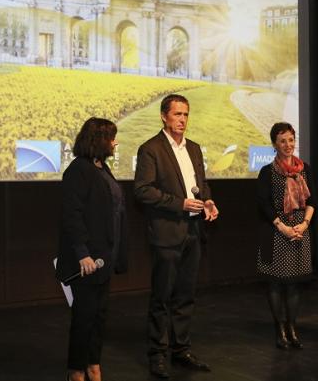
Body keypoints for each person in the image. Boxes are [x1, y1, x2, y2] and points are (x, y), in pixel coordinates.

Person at [134, 94, 219, 378]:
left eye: (186, 115)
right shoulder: (151, 149)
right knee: (162, 297)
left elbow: (201, 185)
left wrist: (208, 201)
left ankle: (180, 349)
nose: (182, 120)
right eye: (177, 114)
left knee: (185, 296)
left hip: (194, 231)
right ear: (163, 116)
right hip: (167, 233)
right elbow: (143, 190)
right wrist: (179, 203)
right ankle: (157, 354)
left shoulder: (193, 148)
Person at [56, 118, 128, 381]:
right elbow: (71, 215)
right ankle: (76, 368)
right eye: (112, 137)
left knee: (99, 316)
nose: (115, 142)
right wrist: (82, 252)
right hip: (87, 260)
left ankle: (93, 364)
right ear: (98, 140)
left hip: (105, 257)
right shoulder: (78, 170)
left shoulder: (102, 168)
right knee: (84, 316)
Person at [255, 122, 315, 350]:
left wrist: (304, 224)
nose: (288, 145)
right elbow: (263, 205)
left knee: (293, 285)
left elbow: (312, 201)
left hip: (300, 231)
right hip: (276, 231)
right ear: (274, 144)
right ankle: (279, 328)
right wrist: (283, 228)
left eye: (291, 139)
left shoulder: (305, 169)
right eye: (282, 141)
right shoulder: (267, 172)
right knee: (275, 284)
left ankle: (292, 327)